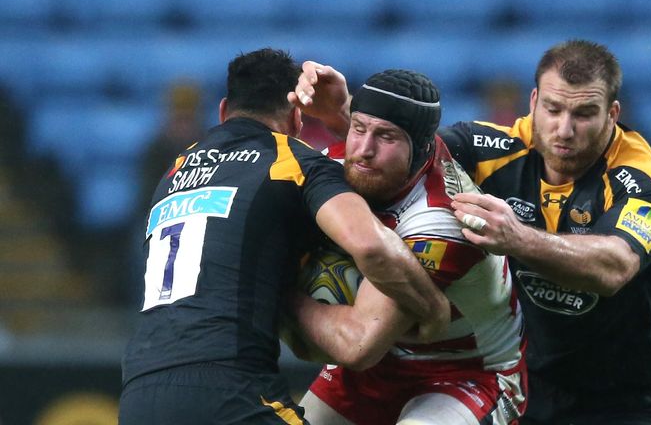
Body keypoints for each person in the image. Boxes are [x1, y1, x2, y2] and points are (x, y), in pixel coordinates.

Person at [292, 39, 651, 425]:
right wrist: (343, 113)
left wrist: (517, 237)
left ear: (612, 113)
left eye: (584, 113)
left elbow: (614, 266)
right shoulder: (496, 147)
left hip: (622, 398)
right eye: (553, 108)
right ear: (533, 102)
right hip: (527, 378)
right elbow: (410, 152)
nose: (564, 129)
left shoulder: (644, 176)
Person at [118, 48, 450, 424]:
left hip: (138, 391)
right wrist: (432, 308)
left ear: (224, 111)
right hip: (228, 388)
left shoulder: (172, 175)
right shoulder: (293, 160)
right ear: (296, 116)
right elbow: (372, 246)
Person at [287, 69, 527, 424]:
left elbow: (359, 344)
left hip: (468, 373)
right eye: (358, 128)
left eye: (386, 137)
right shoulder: (339, 162)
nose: (364, 151)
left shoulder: (442, 221)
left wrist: (268, 293)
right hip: (381, 368)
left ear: (420, 150)